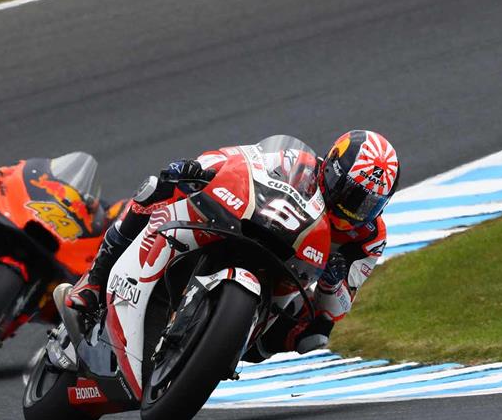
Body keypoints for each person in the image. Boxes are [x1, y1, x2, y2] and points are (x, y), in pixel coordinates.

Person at [66, 130, 400, 359]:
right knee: (156, 188)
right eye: (350, 194)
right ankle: (94, 280)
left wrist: (332, 282)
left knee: (314, 334)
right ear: (331, 169)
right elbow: (241, 158)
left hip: (291, 276)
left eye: (367, 204)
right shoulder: (297, 161)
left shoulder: (370, 237)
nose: (352, 210)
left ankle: (222, 346)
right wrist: (198, 168)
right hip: (247, 225)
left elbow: (337, 308)